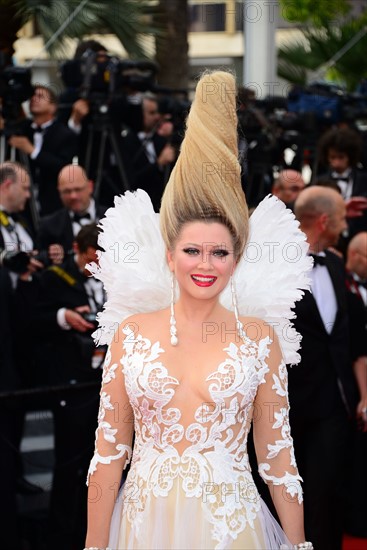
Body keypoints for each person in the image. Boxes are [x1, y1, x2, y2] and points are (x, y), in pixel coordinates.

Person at [84, 71, 313, 550]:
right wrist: (94, 543)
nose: (205, 265)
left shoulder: (260, 338)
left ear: (236, 259)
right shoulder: (130, 333)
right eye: (192, 251)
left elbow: (277, 457)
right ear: (169, 256)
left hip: (232, 527)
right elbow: (108, 454)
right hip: (142, 525)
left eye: (220, 253)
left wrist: (299, 544)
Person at [288, 186, 365, 550]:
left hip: (334, 404)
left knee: (327, 494)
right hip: (287, 406)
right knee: (292, 494)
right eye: (340, 219)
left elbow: (351, 339)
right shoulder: (275, 268)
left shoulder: (336, 264)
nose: (344, 226)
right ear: (323, 221)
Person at [34, 223, 106, 549]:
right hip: (70, 383)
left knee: (102, 464)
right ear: (77, 249)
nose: (98, 267)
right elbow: (32, 320)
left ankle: (96, 531)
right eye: (93, 259)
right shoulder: (53, 278)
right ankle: (62, 536)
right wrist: (66, 316)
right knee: (69, 464)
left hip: (105, 384)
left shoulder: (119, 278)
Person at [8, 85, 78, 217]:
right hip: (23, 202)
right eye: (32, 96)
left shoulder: (65, 133)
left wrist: (32, 151)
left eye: (40, 96)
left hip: (52, 200)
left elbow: (63, 167)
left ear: (53, 107)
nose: (34, 99)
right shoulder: (22, 129)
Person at [37, 164, 107, 262]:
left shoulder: (114, 217)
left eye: (78, 189)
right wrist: (49, 256)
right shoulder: (48, 226)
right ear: (59, 192)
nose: (73, 196)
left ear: (90, 186)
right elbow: (39, 259)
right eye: (67, 191)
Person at [121, 93, 177, 211]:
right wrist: (158, 163)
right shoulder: (128, 141)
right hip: (139, 205)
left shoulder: (160, 138)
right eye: (151, 113)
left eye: (157, 113)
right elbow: (131, 178)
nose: (156, 117)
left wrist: (170, 137)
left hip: (164, 203)